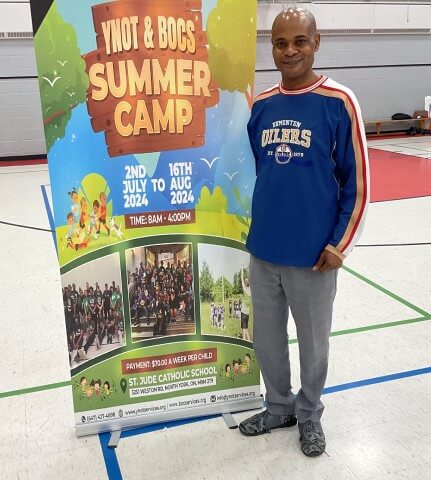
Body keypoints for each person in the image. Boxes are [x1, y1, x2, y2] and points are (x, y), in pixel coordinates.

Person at [239, 7, 369, 458]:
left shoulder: (339, 102)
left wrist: (340, 244)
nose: (289, 51)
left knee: (314, 344)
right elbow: (258, 173)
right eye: (280, 42)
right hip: (264, 251)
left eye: (299, 41)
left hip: (314, 256)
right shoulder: (261, 106)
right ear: (271, 47)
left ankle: (310, 414)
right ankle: (278, 407)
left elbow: (358, 183)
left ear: (317, 42)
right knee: (267, 340)